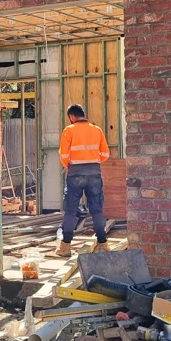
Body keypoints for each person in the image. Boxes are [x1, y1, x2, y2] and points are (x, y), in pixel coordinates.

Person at [57, 104, 110, 257]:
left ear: (72, 117)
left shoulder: (69, 130)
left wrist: (70, 165)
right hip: (94, 174)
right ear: (83, 114)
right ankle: (103, 244)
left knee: (71, 211)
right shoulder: (97, 130)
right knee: (97, 210)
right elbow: (105, 154)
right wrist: (93, 161)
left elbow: (63, 156)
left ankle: (65, 247)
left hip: (75, 175)